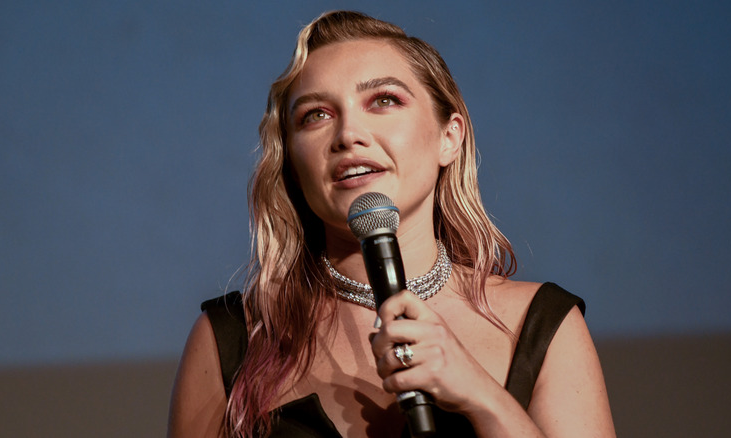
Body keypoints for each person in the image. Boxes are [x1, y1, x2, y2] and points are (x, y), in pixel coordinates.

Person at [168, 10, 615, 438]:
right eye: (315, 115)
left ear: (449, 137)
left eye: (384, 100)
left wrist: (483, 397)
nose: (348, 134)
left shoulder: (541, 326)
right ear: (292, 164)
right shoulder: (233, 339)